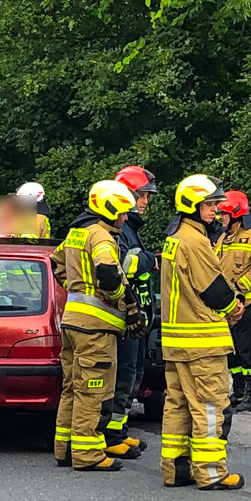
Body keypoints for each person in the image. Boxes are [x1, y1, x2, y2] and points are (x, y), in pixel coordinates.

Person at [51, 180, 146, 471]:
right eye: (122, 212)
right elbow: (107, 272)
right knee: (93, 390)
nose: (126, 217)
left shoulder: (76, 233)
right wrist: (122, 302)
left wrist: (77, 287)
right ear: (108, 211)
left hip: (72, 324)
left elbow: (56, 264)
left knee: (72, 388)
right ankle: (87, 454)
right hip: (96, 329)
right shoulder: (102, 237)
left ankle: (65, 449)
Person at [159, 174, 246, 490]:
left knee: (178, 406)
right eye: (209, 204)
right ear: (192, 205)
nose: (215, 209)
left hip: (177, 343)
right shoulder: (196, 242)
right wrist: (234, 308)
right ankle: (211, 472)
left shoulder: (176, 239)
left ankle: (175, 470)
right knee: (211, 406)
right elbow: (214, 289)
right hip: (202, 342)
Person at [102, 166, 159, 456]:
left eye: (147, 196)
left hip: (137, 317)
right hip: (123, 317)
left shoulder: (130, 229)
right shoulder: (119, 230)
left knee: (133, 374)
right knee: (123, 375)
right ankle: (112, 436)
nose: (145, 202)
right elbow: (126, 266)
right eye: (141, 195)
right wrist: (150, 260)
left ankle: (119, 430)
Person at [215, 191, 251, 412]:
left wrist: (240, 288)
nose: (220, 217)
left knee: (247, 352)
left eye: (224, 214)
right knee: (232, 352)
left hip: (245, 305)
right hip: (227, 306)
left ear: (236, 214)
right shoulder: (222, 238)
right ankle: (237, 392)